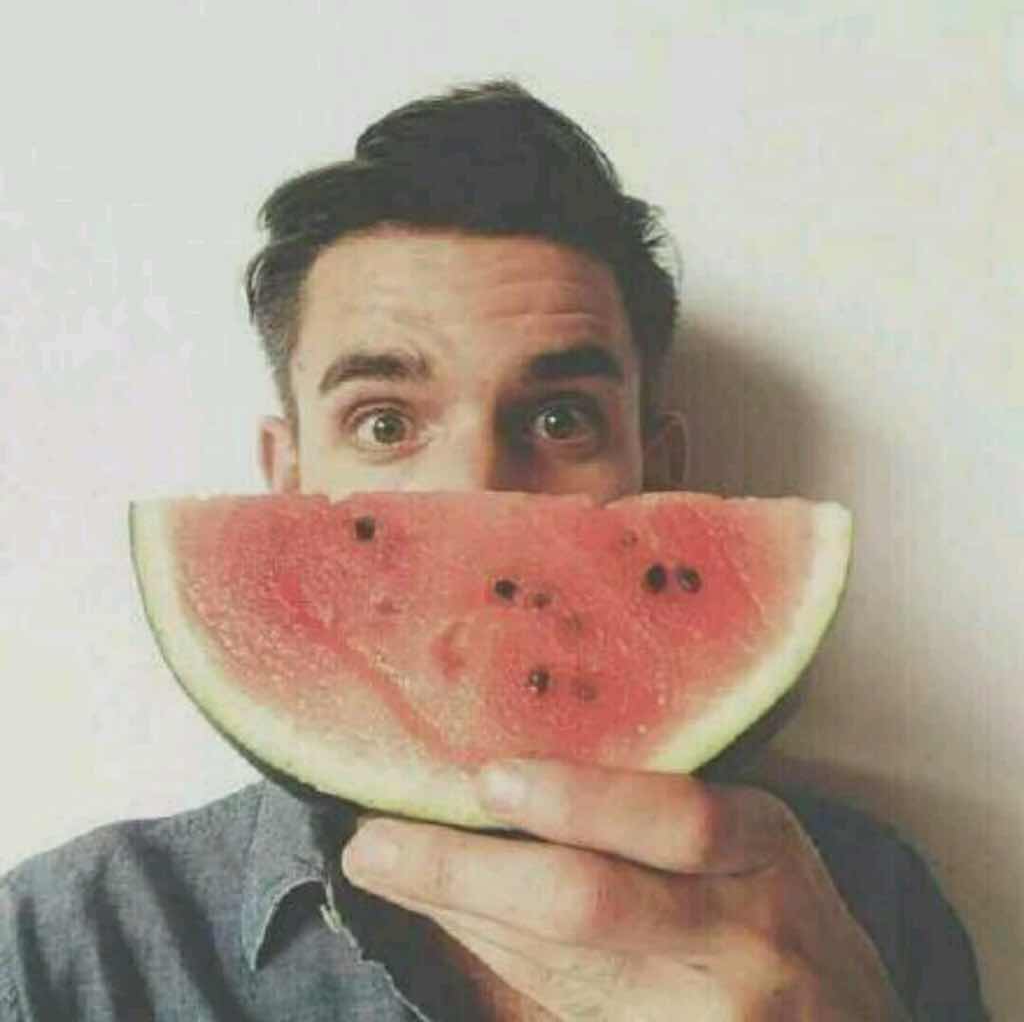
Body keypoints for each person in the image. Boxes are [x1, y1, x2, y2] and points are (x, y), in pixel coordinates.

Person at [0, 80, 987, 1021]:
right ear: (287, 482)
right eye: (385, 423)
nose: (476, 493)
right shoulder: (67, 945)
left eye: (561, 418)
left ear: (662, 479)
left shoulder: (855, 907)